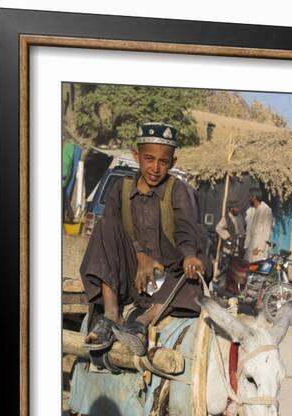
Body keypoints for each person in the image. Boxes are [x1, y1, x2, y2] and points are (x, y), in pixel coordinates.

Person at [80, 122, 210, 357]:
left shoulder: (178, 190)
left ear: (173, 162)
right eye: (149, 159)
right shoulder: (121, 188)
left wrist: (189, 255)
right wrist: (140, 257)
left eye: (164, 162)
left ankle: (142, 321)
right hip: (129, 279)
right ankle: (111, 314)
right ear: (135, 155)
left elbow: (186, 231)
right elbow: (110, 236)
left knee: (200, 264)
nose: (155, 168)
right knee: (105, 225)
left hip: (166, 281)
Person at [244, 188, 273, 262]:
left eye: (250, 196)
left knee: (256, 270)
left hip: (258, 249)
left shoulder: (266, 210)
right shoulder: (252, 210)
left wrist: (259, 248)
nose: (248, 199)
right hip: (250, 246)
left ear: (254, 197)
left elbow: (267, 231)